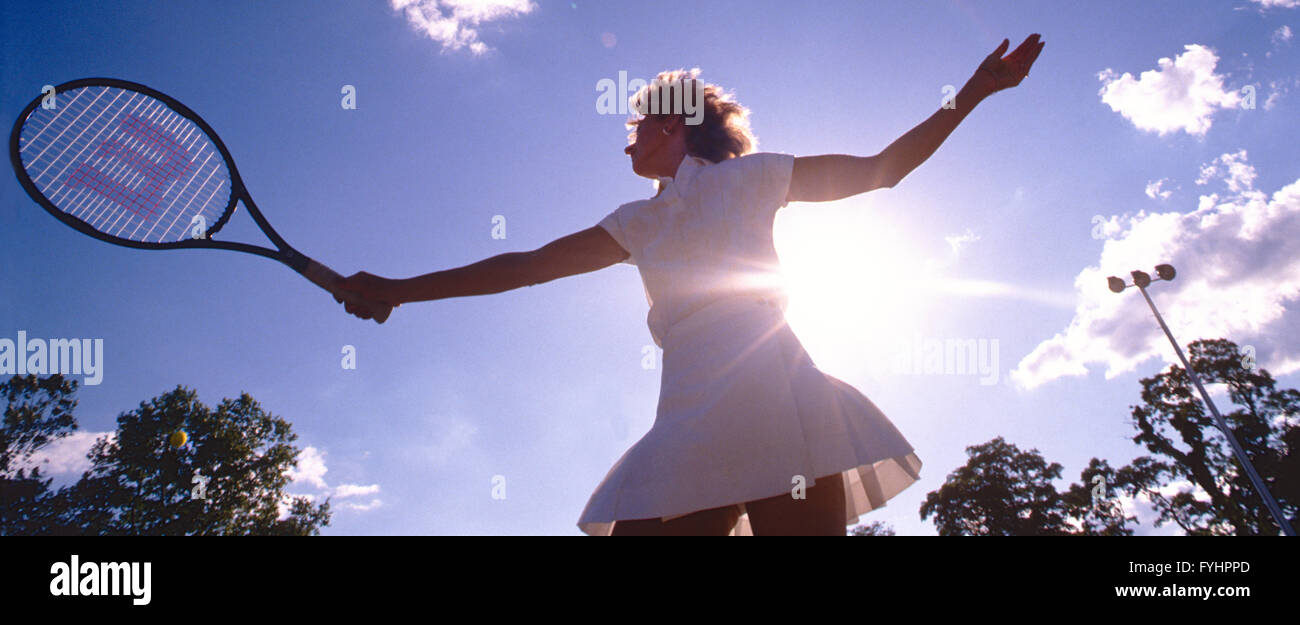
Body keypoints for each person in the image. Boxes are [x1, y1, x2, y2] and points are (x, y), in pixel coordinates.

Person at [332, 34, 1045, 535]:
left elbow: (884, 167)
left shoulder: (755, 175)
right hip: (687, 422)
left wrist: (977, 90)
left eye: (637, 126)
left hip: (782, 399)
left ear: (673, 125)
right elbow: (523, 266)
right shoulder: (636, 222)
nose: (627, 142)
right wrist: (397, 287)